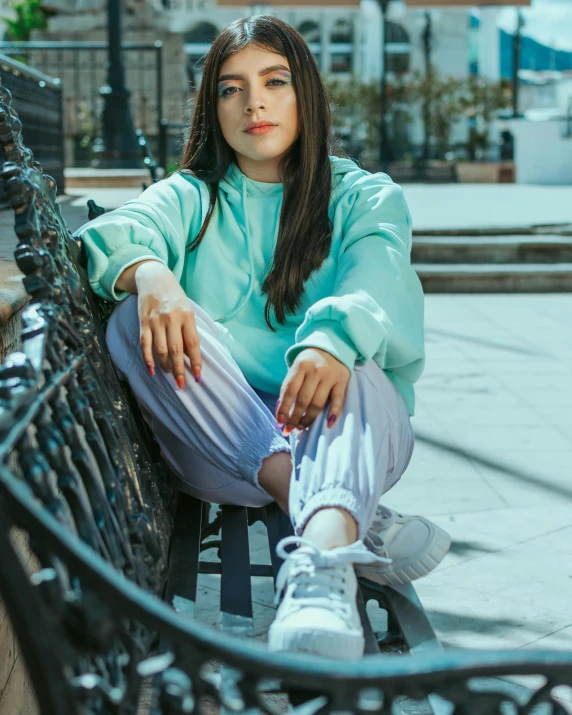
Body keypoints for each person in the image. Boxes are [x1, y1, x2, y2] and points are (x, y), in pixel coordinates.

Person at [75, 15, 450, 660]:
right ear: (212, 107)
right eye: (231, 87)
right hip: (222, 449)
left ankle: (318, 575)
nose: (254, 102)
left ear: (304, 92)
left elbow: (377, 279)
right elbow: (119, 232)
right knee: (133, 318)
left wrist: (331, 340)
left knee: (354, 364)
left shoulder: (364, 198)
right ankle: (336, 519)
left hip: (349, 430)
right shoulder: (193, 197)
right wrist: (156, 277)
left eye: (274, 81)